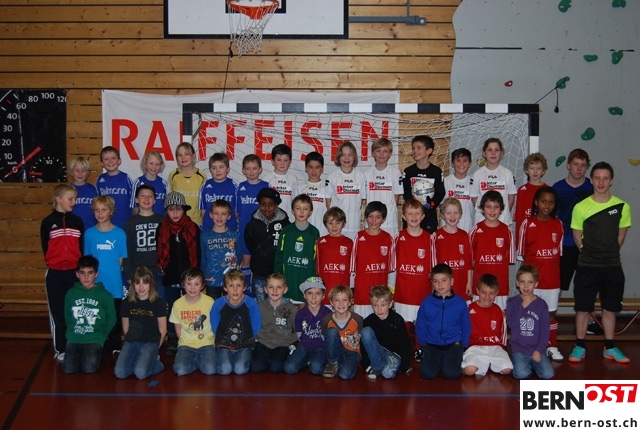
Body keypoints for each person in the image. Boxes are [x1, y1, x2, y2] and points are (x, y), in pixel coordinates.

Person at [569, 162, 632, 364]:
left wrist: (607, 253)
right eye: (597, 178)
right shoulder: (581, 207)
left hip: (612, 266)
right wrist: (590, 254)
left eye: (605, 178)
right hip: (587, 266)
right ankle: (579, 346)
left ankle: (610, 347)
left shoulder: (622, 206)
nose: (601, 182)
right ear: (591, 180)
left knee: (610, 308)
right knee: (582, 308)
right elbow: (577, 235)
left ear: (611, 181)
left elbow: (621, 236)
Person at [517, 187, 564, 361]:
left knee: (550, 314)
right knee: (529, 314)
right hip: (532, 282)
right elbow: (522, 255)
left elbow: (558, 254)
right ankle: (528, 346)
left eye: (551, 202)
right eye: (543, 201)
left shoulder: (558, 224)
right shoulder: (527, 224)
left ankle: (551, 346)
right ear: (536, 202)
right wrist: (527, 281)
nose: (547, 205)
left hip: (552, 280)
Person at [41, 184, 84, 361]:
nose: (74, 202)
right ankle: (61, 348)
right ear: (58, 199)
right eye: (70, 199)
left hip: (74, 273)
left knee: (75, 310)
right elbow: (46, 248)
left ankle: (77, 345)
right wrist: (56, 263)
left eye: (75, 198)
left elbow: (81, 247)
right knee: (58, 311)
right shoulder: (47, 223)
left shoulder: (77, 222)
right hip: (55, 274)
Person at [552, 150, 596, 321]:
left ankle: (591, 321)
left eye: (583, 165)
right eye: (576, 164)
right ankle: (551, 321)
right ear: (568, 165)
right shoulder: (557, 188)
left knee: (588, 284)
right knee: (558, 285)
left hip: (587, 245)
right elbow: (552, 217)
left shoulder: (592, 187)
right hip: (565, 244)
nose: (579, 168)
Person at [157, 191, 200, 355]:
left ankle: (191, 335)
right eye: (171, 209)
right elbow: (160, 253)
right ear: (166, 211)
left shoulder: (192, 227)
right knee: (173, 308)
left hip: (189, 276)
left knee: (191, 307)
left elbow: (197, 253)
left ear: (184, 210)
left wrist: (195, 274)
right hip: (170, 276)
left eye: (178, 209)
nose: (175, 213)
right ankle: (173, 338)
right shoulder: (162, 228)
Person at [84, 195, 127, 354]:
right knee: (97, 314)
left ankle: (115, 345)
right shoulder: (89, 234)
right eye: (97, 210)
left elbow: (120, 259)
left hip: (114, 284)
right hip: (96, 283)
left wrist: (113, 274)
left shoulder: (120, 234)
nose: (100, 213)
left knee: (114, 315)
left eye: (104, 210)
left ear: (111, 211)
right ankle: (96, 342)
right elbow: (87, 260)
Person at [392, 199, 432, 361]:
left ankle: (419, 348)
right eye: (410, 213)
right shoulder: (398, 237)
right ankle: (402, 349)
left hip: (422, 290)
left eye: (417, 213)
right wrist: (391, 289)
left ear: (423, 216)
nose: (414, 217)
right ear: (404, 216)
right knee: (403, 322)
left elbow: (433, 266)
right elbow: (392, 266)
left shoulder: (429, 238)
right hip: (403, 290)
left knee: (421, 323)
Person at [415, 263, 471, 380]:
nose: (440, 284)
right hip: (432, 345)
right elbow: (421, 324)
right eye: (436, 281)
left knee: (451, 374)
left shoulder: (460, 302)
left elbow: (466, 325)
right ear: (432, 283)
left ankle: (448, 360)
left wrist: (464, 345)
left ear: (452, 281)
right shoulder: (427, 302)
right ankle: (438, 360)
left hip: (453, 344)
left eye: (444, 280)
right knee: (427, 373)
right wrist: (423, 343)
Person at [62, 255, 116, 374]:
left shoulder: (105, 295)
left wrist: (102, 335)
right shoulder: (71, 294)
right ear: (77, 274)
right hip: (75, 338)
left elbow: (111, 318)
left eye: (90, 273)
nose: (86, 277)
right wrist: (71, 333)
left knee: (89, 368)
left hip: (94, 338)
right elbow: (67, 315)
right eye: (82, 273)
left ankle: (98, 352)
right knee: (68, 369)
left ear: (96, 274)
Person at [114, 266, 167, 379]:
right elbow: (126, 328)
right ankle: (142, 361)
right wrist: (130, 341)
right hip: (131, 342)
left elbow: (163, 329)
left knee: (140, 373)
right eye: (138, 283)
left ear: (151, 284)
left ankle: (156, 363)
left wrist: (156, 348)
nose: (141, 287)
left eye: (145, 283)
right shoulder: (127, 302)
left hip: (150, 343)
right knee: (120, 372)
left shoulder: (158, 302)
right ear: (133, 285)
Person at [506, 265, 554, 379]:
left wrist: (539, 350)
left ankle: (533, 364)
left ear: (536, 284)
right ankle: (526, 365)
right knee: (521, 374)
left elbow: (545, 331)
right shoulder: (512, 302)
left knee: (548, 374)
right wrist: (522, 306)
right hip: (519, 349)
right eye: (522, 282)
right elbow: (510, 323)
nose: (526, 286)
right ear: (517, 283)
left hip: (536, 349)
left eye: (530, 282)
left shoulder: (541, 304)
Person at [468, 191, 514, 309]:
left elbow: (508, 260)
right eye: (488, 207)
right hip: (480, 286)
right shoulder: (475, 231)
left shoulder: (507, 231)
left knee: (499, 314)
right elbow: (470, 261)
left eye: (496, 207)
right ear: (482, 209)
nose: (492, 210)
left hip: (500, 286)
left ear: (501, 209)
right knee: (479, 316)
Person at [211, 269, 262, 375]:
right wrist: (221, 337)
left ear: (244, 287)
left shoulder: (250, 303)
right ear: (225, 288)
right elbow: (215, 323)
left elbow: (256, 323)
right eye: (231, 285)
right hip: (224, 344)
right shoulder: (218, 304)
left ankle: (241, 358)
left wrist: (248, 338)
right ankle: (223, 358)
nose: (235, 289)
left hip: (244, 344)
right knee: (225, 370)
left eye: (238, 285)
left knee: (240, 370)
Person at [244, 187, 290, 302]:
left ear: (276, 205)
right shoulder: (252, 224)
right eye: (263, 204)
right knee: (261, 305)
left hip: (278, 274)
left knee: (278, 304)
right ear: (259, 205)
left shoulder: (285, 225)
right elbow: (249, 243)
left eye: (271, 204)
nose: (267, 208)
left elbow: (287, 246)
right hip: (259, 273)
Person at [462, 274, 512, 376]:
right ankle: (475, 363)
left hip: (495, 347)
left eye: (491, 293)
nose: (487, 297)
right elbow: (463, 330)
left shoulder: (499, 311)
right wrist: (464, 347)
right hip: (475, 347)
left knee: (507, 369)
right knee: (469, 371)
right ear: (477, 291)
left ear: (496, 293)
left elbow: (503, 334)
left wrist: (502, 348)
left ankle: (488, 363)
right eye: (483, 292)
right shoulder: (469, 309)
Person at [169, 267, 216, 376]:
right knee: (180, 370)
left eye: (196, 284)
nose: (193, 288)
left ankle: (199, 360)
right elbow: (178, 330)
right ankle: (196, 361)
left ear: (202, 286)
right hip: (186, 344)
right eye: (189, 284)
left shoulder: (209, 302)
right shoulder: (177, 304)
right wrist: (184, 341)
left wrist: (212, 340)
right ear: (183, 284)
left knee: (210, 369)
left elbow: (215, 324)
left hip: (206, 343)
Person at [274, 194, 319, 303]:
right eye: (298, 208)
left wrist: (314, 279)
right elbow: (279, 255)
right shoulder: (286, 231)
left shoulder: (314, 233)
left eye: (305, 209)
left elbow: (316, 258)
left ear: (311, 212)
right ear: (292, 211)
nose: (302, 212)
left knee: (303, 308)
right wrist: (278, 276)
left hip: (305, 279)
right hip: (288, 279)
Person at [351, 201, 394, 317]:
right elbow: (353, 268)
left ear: (383, 219)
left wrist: (391, 291)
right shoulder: (359, 237)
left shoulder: (388, 238)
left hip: (381, 295)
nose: (373, 220)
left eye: (378, 217)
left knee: (379, 323)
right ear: (365, 217)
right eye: (370, 216)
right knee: (362, 323)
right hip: (362, 292)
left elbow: (391, 269)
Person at [283, 277, 332, 375]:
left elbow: (329, 336)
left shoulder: (328, 314)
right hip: (304, 346)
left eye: (318, 293)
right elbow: (299, 333)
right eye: (309, 293)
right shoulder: (300, 314)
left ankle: (314, 360)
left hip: (320, 347)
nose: (313, 297)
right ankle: (305, 359)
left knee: (317, 369)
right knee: (289, 368)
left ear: (323, 296)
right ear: (304, 295)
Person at [360, 285, 411, 379]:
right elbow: (363, 345)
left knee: (388, 374)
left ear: (390, 304)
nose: (379, 309)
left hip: (393, 354)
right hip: (376, 352)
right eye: (375, 305)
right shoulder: (369, 321)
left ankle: (384, 366)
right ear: (371, 305)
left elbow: (405, 343)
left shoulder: (397, 320)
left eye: (383, 305)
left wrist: (405, 365)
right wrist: (366, 364)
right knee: (365, 332)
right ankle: (377, 367)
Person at [251, 273, 298, 373]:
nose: (275, 291)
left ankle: (287, 354)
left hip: (282, 344)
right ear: (265, 289)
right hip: (263, 343)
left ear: (285, 290)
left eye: (279, 287)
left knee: (275, 368)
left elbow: (299, 330)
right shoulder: (260, 307)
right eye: (271, 287)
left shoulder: (291, 309)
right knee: (256, 367)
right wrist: (256, 339)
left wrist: (289, 339)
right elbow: (253, 326)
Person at [122, 184, 164, 297]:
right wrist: (129, 274)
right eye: (143, 196)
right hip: (137, 272)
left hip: (157, 272)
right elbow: (127, 249)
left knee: (159, 302)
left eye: (150, 196)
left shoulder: (162, 220)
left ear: (154, 200)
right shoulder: (130, 222)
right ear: (136, 199)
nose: (146, 199)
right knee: (139, 304)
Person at [401, 134, 445, 233]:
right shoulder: (408, 171)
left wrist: (431, 204)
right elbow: (406, 192)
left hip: (429, 216)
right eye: (413, 148)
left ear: (429, 151)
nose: (415, 150)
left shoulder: (436, 172)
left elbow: (440, 193)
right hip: (412, 216)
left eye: (419, 147)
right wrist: (414, 205)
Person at [469, 137, 517, 225]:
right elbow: (474, 198)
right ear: (484, 153)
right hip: (482, 220)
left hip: (502, 220)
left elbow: (511, 198)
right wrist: (485, 212)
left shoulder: (508, 174)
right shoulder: (477, 174)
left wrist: (501, 212)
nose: (493, 153)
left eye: (496, 150)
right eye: (489, 150)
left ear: (501, 153)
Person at [321, 285, 364, 380]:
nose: (341, 303)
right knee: (331, 332)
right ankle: (333, 362)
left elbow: (360, 337)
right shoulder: (326, 320)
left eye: (344, 300)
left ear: (350, 302)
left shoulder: (358, 319)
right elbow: (325, 339)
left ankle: (344, 364)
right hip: (335, 352)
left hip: (352, 352)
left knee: (345, 375)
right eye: (337, 300)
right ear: (331, 302)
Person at [433, 197, 472, 301]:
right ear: (442, 215)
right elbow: (433, 264)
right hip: (443, 285)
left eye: (455, 213)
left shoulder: (464, 235)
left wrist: (469, 282)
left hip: (461, 282)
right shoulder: (436, 236)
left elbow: (468, 263)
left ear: (461, 215)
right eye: (448, 213)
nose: (452, 216)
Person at [326, 141, 367, 239]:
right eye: (343, 155)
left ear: (354, 157)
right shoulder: (331, 177)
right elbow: (328, 202)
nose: (346, 158)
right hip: (337, 228)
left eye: (350, 155)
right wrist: (334, 222)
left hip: (354, 226)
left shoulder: (361, 176)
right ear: (338, 157)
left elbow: (362, 201)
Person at [200, 199, 240, 299]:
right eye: (216, 213)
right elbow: (202, 258)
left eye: (223, 214)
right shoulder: (204, 236)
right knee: (213, 305)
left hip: (231, 279)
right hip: (211, 278)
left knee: (229, 304)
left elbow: (239, 256)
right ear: (211, 215)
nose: (219, 217)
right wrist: (204, 274)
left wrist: (233, 269)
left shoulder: (234, 235)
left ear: (229, 216)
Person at [236, 154, 269, 271]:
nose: (251, 171)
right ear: (243, 170)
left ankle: (257, 282)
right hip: (244, 230)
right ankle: (246, 283)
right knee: (246, 260)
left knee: (260, 260)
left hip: (261, 231)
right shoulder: (240, 187)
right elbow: (236, 212)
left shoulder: (266, 186)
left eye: (254, 168)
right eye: (248, 168)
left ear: (260, 169)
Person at [365, 138, 403, 236]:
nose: (381, 154)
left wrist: (388, 214)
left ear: (390, 154)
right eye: (378, 151)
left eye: (385, 151)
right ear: (373, 153)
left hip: (389, 220)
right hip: (371, 221)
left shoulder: (395, 173)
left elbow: (396, 197)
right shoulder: (367, 174)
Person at [315, 207, 353, 305]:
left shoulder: (349, 243)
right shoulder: (320, 242)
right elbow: (317, 268)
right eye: (330, 223)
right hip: (325, 289)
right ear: (325, 224)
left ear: (344, 223)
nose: (334, 226)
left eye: (338, 223)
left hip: (342, 289)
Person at [168, 142, 207, 226]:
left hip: (196, 222)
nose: (183, 157)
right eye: (180, 155)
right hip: (178, 222)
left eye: (186, 154)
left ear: (193, 156)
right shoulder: (173, 175)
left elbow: (204, 201)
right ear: (176, 158)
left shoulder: (201, 176)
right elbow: (170, 201)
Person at [514, 152, 549, 246]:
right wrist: (519, 241)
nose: (535, 171)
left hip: (542, 232)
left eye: (538, 169)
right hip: (526, 234)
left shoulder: (548, 190)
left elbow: (551, 216)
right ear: (526, 170)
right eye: (532, 168)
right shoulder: (522, 190)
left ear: (543, 171)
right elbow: (519, 217)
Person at [96, 146, 133, 229]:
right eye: (106, 159)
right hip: (106, 224)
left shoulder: (126, 178)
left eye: (113, 158)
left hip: (125, 223)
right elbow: (97, 203)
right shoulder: (99, 180)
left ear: (119, 161)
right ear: (102, 163)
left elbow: (134, 201)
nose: (110, 161)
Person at [200, 152, 238, 232]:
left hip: (229, 230)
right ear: (210, 170)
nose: (218, 170)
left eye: (221, 167)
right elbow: (203, 211)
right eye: (214, 168)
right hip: (209, 230)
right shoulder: (205, 187)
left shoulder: (234, 187)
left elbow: (236, 212)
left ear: (228, 169)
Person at [263, 143, 298, 222]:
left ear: (290, 162)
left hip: (289, 219)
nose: (282, 163)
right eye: (279, 160)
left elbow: (295, 201)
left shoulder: (293, 179)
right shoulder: (267, 179)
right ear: (272, 161)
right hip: (271, 220)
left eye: (285, 160)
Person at [443, 148, 474, 232]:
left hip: (467, 227)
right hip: (447, 228)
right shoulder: (445, 181)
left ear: (470, 164)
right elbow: (441, 205)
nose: (461, 164)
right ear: (452, 163)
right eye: (458, 160)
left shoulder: (473, 182)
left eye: (465, 161)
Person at [131, 150, 168, 216]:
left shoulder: (164, 184)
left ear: (161, 165)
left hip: (161, 220)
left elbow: (167, 205)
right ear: (145, 164)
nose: (154, 167)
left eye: (157, 164)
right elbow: (134, 206)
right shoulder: (137, 183)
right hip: (143, 220)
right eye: (151, 163)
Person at [301, 151, 328, 236]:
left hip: (323, 232)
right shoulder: (300, 187)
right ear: (306, 168)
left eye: (317, 167)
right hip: (303, 232)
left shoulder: (327, 187)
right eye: (310, 167)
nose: (314, 171)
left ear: (322, 169)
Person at [69, 156, 98, 231]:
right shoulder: (67, 190)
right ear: (71, 172)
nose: (80, 173)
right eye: (77, 170)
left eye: (83, 171)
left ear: (88, 173)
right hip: (72, 230)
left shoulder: (93, 190)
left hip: (90, 229)